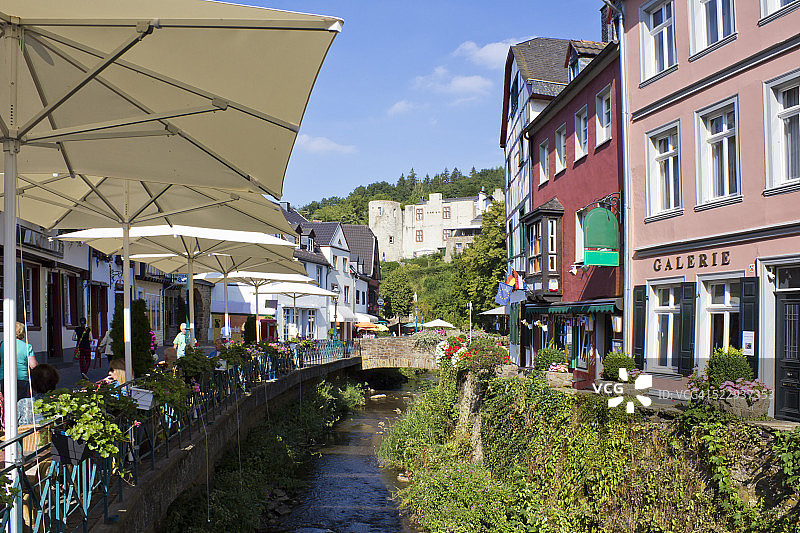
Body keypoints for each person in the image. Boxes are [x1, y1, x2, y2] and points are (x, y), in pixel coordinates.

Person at [0, 322, 39, 400]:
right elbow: (33, 366)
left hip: (5, 377)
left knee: (7, 402)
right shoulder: (27, 346)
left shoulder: (2, 345)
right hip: (22, 378)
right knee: (21, 402)